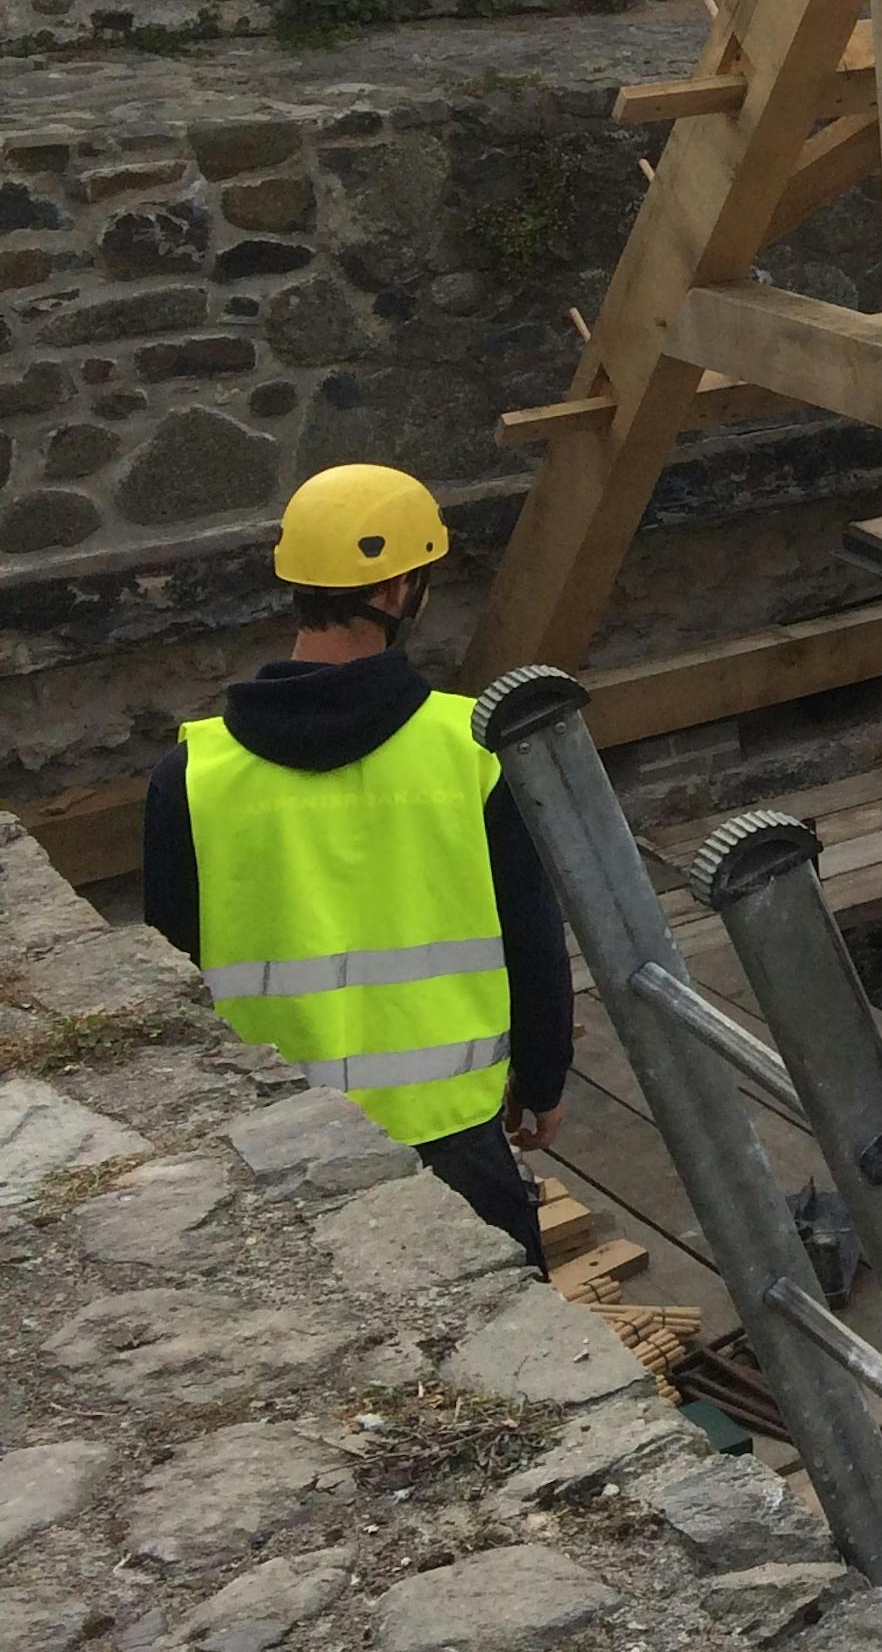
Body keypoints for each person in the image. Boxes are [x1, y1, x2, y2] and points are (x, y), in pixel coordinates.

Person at [142, 465, 573, 1267]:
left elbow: (169, 982)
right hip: (453, 1136)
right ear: (402, 587)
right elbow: (532, 934)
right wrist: (543, 1080)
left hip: (279, 1146)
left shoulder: (191, 780)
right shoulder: (473, 751)